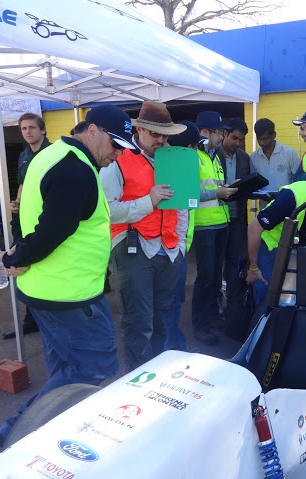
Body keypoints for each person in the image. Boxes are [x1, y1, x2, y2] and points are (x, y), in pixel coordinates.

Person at [0, 104, 138, 454]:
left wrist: (18, 253)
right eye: (115, 145)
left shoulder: (52, 155)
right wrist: (14, 257)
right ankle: (14, 432)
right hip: (70, 297)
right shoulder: (75, 169)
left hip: (46, 290)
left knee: (65, 371)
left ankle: (50, 435)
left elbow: (32, 216)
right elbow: (51, 231)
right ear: (93, 131)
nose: (118, 155)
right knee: (94, 368)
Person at [100, 101, 187, 372]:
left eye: (165, 135)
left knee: (163, 319)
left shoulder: (174, 159)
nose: (161, 140)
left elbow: (182, 207)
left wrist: (181, 245)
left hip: (169, 249)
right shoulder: (118, 159)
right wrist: (149, 201)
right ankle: (137, 380)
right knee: (138, 322)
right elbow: (108, 211)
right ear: (139, 130)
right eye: (155, 134)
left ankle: (158, 375)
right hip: (133, 247)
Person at [2, 113, 52, 339]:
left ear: (43, 130)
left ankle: (48, 315)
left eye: (32, 127)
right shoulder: (23, 156)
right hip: (24, 219)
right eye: (24, 128)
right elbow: (23, 184)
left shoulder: (53, 153)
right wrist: (17, 203)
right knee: (23, 265)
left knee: (44, 265)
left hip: (46, 220)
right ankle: (31, 318)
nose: (28, 132)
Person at [192, 111, 237, 345]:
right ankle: (200, 325)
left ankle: (211, 317)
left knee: (215, 275)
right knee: (205, 277)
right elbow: (188, 191)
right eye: (218, 132)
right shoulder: (193, 156)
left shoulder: (214, 156)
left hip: (221, 222)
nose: (222, 136)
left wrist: (227, 189)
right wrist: (217, 193)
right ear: (205, 132)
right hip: (204, 225)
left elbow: (215, 187)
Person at [166, 121, 208, 352]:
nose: (196, 151)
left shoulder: (179, 168)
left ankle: (174, 346)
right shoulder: (169, 171)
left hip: (178, 246)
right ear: (187, 147)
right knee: (170, 302)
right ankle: (172, 349)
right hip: (169, 248)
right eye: (194, 146)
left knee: (175, 300)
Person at [215, 118, 251, 334]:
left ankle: (232, 306)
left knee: (232, 260)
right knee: (215, 262)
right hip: (216, 216)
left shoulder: (244, 158)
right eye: (234, 138)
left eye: (241, 140)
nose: (237, 143)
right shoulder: (212, 154)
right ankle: (215, 302)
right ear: (224, 134)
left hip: (237, 215)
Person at [250, 118, 300, 192]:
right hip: (263, 199)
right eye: (259, 139)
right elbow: (253, 183)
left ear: (274, 135)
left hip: (286, 198)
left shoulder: (290, 153)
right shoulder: (253, 157)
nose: (261, 143)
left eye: (265, 139)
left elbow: (298, 179)